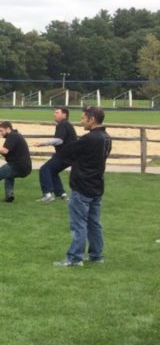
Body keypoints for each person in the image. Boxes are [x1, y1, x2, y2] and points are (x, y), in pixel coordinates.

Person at [55, 106, 111, 267]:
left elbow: (66, 151)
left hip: (82, 186)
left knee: (78, 224)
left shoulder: (89, 139)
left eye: (82, 118)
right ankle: (96, 255)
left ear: (91, 119)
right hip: (97, 185)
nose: (81, 121)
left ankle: (74, 258)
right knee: (94, 222)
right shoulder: (107, 137)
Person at [35, 106, 77, 203]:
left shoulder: (63, 124)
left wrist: (43, 143)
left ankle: (47, 194)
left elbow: (59, 140)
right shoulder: (67, 124)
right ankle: (61, 194)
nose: (54, 114)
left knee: (44, 169)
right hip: (70, 156)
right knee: (53, 171)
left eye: (57, 112)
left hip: (64, 155)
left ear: (64, 115)